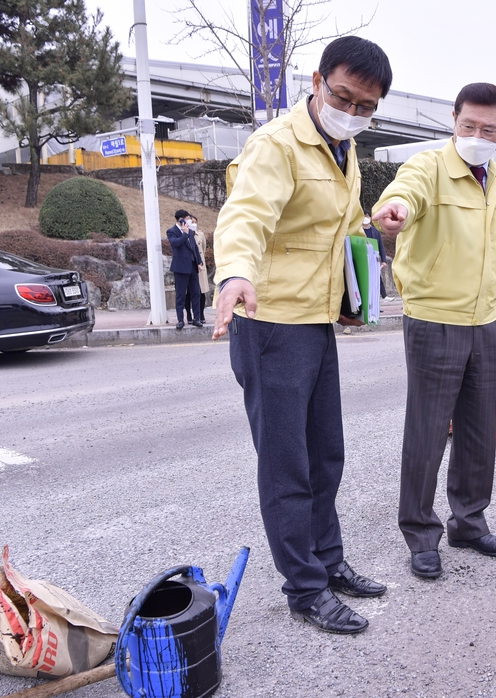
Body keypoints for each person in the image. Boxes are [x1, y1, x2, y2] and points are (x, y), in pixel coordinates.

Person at [210, 36, 393, 635]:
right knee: (287, 464)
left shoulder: (343, 150)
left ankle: (330, 562)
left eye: (367, 106)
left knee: (326, 455)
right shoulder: (277, 145)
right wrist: (234, 271)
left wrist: (351, 287)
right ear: (317, 81)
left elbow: (328, 232)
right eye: (344, 96)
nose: (354, 111)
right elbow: (247, 215)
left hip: (317, 324)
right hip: (270, 326)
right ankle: (305, 588)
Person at [372, 82, 496, 580]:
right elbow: (405, 195)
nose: (477, 135)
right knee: (428, 431)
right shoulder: (428, 168)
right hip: (434, 319)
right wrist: (393, 212)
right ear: (453, 123)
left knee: (480, 433)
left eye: (489, 128)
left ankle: (470, 522)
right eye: (468, 126)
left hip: (485, 323)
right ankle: (420, 534)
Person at [166, 209, 203, 329]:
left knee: (196, 293)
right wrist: (184, 233)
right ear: (181, 219)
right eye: (187, 218)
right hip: (181, 267)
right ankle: (180, 319)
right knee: (181, 295)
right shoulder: (172, 231)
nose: (189, 220)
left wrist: (199, 262)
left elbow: (195, 248)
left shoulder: (191, 231)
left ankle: (197, 318)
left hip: (192, 266)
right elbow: (175, 243)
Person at [183, 214, 209, 323]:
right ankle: (189, 314)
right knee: (188, 292)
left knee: (201, 291)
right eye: (191, 221)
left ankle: (200, 314)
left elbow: (203, 247)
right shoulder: (185, 234)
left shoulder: (200, 234)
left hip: (199, 265)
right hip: (189, 265)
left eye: (194, 222)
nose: (193, 224)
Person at [361, 209, 388, 298]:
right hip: (362, 258)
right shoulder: (358, 231)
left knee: (376, 278)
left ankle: (382, 296)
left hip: (373, 258)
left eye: (367, 216)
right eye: (364, 216)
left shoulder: (375, 232)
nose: (366, 218)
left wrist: (384, 260)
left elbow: (381, 246)